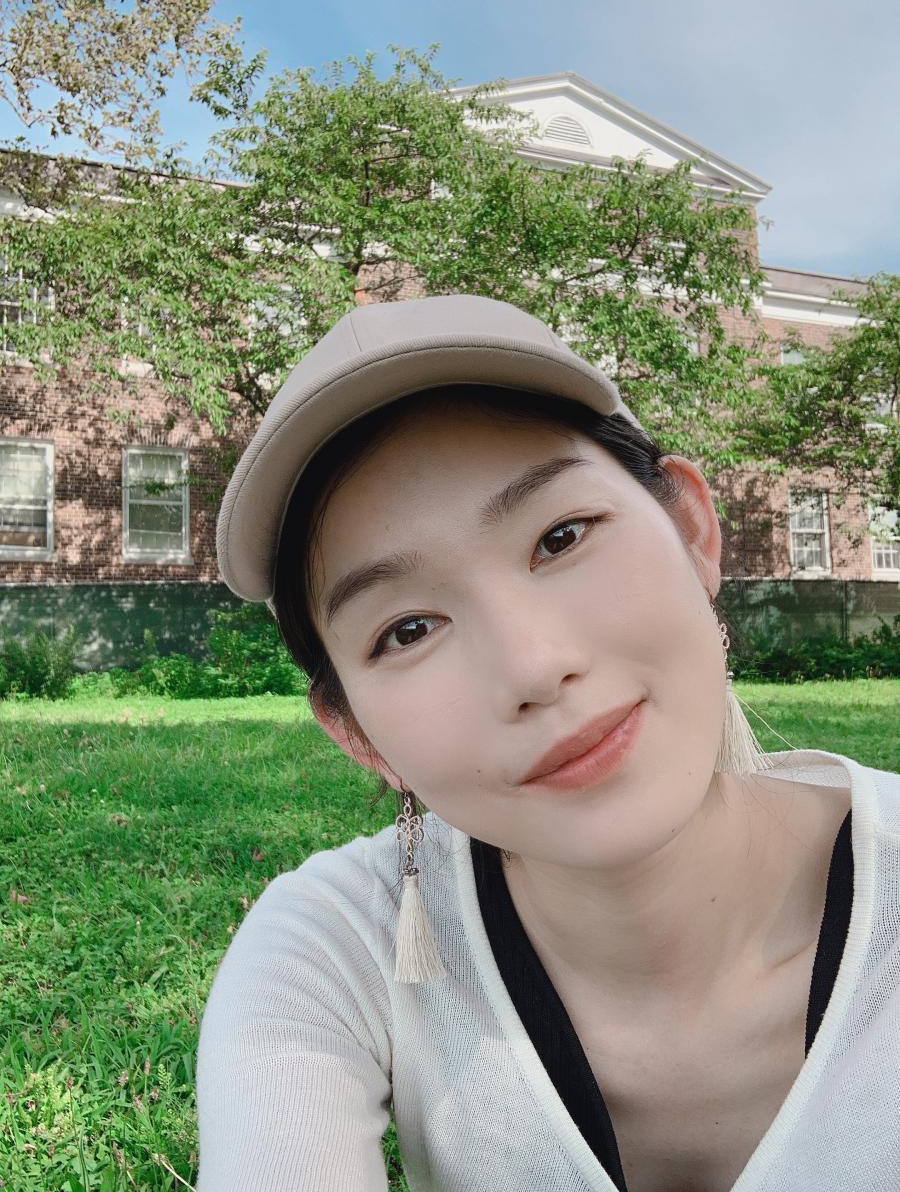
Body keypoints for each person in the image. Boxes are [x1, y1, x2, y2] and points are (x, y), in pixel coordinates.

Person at [196, 293, 900, 1192]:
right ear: (358, 733)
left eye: (560, 538)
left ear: (691, 530)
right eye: (408, 630)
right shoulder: (333, 945)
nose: (532, 666)